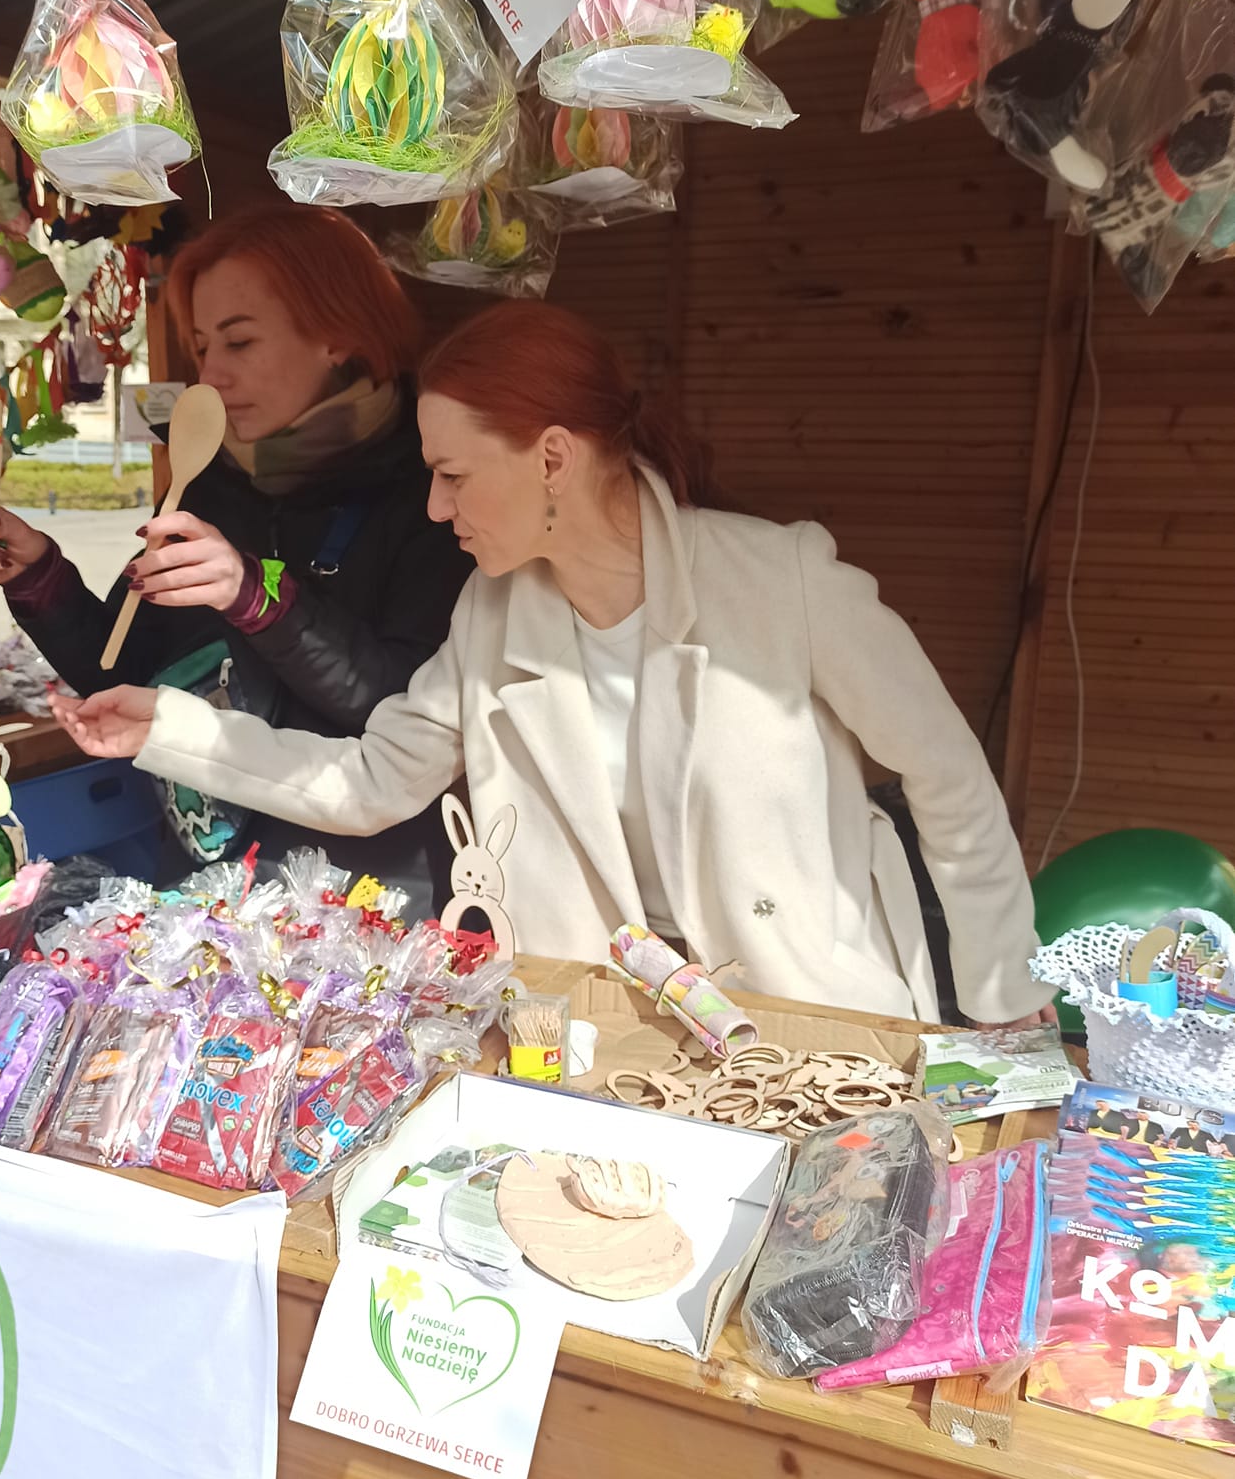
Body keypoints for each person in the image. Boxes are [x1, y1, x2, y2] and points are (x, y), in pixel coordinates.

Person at [55, 302, 1052, 1023]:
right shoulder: (493, 612)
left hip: (813, 1019)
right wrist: (167, 728)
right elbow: (370, 780)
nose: (434, 507)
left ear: (552, 459)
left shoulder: (781, 578)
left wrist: (1004, 997)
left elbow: (948, 777)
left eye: (451, 474)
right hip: (606, 1032)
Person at [0, 205, 472, 906]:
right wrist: (38, 575)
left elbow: (402, 716)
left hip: (367, 897)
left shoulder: (434, 494)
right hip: (208, 886)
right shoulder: (209, 484)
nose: (211, 375)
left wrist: (258, 596)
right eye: (200, 347)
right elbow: (126, 672)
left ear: (338, 334)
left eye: (240, 342)